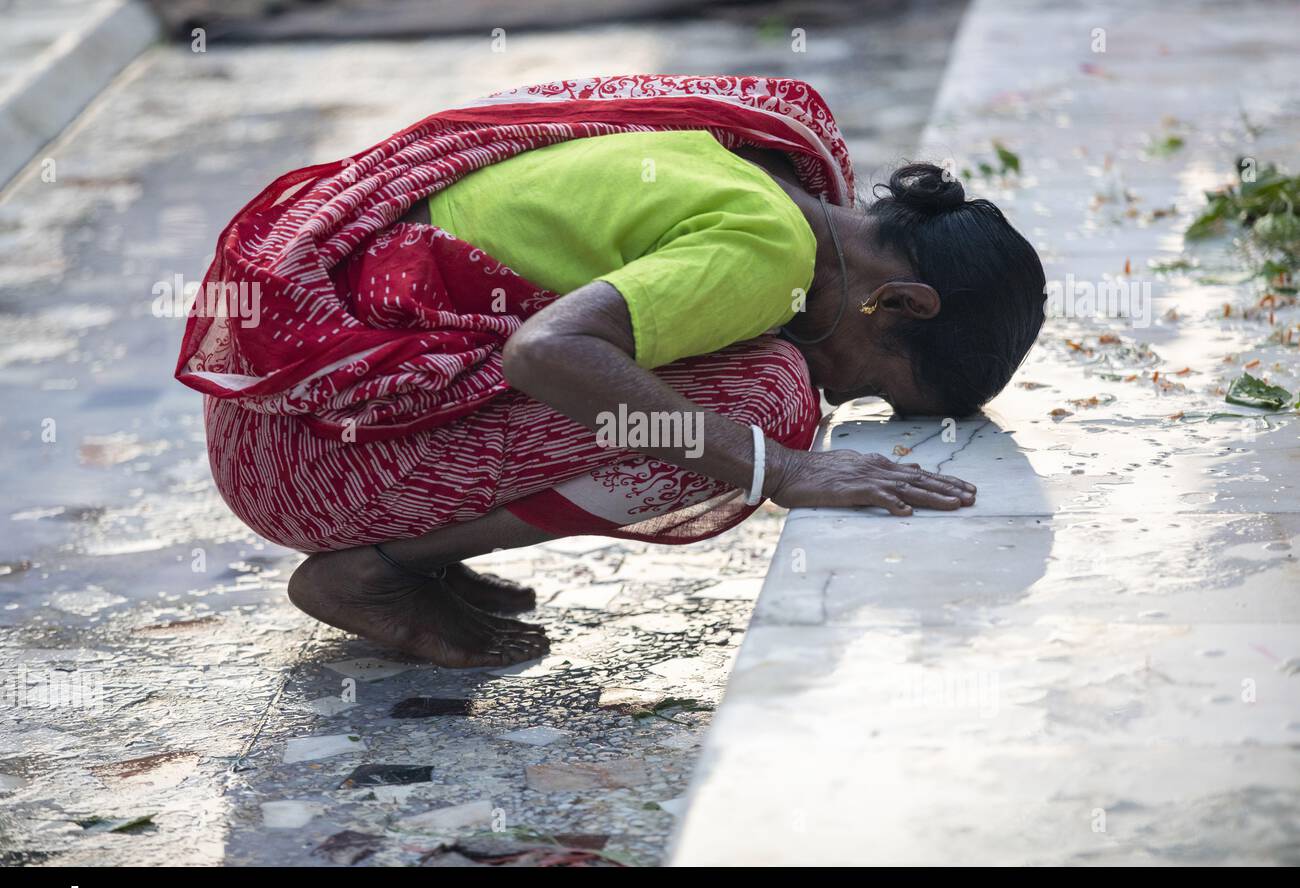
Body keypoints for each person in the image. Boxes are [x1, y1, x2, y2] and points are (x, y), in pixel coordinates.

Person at [177, 76, 1045, 668]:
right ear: (902, 305)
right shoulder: (766, 249)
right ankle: (376, 568)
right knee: (769, 398)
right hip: (299, 465)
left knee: (733, 381)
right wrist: (781, 469)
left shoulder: (780, 163)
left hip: (276, 417)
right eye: (880, 383)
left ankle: (423, 556)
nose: (847, 397)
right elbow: (545, 352)